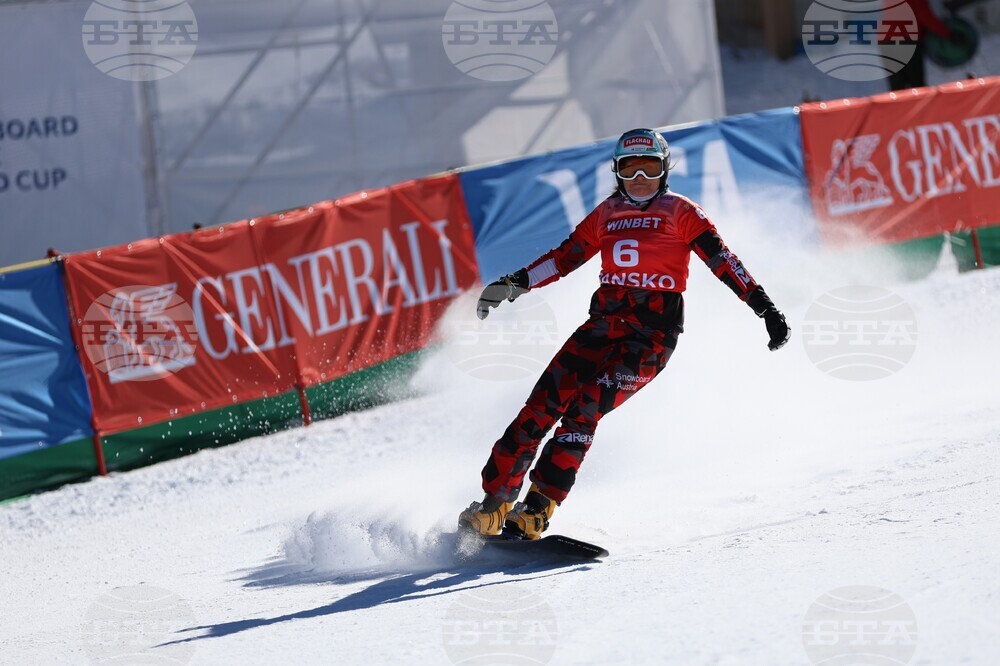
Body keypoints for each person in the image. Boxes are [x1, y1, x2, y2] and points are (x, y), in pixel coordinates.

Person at [458, 129, 791, 540]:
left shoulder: (681, 212)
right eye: (628, 169)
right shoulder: (607, 213)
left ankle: (537, 509)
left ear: (664, 169)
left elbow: (723, 261)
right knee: (540, 406)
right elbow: (565, 257)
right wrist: (514, 283)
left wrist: (764, 307)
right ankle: (494, 506)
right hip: (600, 327)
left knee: (583, 409)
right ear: (616, 173)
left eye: (648, 168)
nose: (638, 179)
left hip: (649, 340)